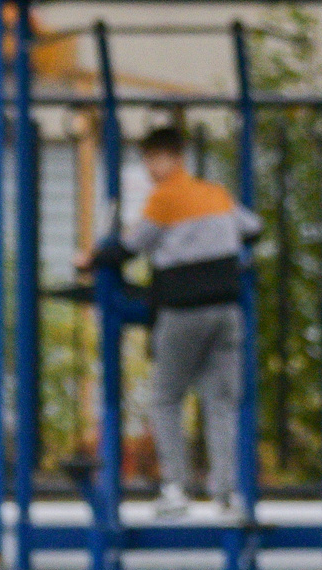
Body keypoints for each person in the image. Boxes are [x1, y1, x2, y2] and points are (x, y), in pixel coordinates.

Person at [77, 124, 260, 519]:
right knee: (221, 402)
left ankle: (175, 488)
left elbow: (129, 247)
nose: (149, 168)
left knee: (166, 398)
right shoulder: (216, 194)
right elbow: (253, 229)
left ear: (171, 158)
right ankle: (226, 495)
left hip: (182, 310)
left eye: (151, 159)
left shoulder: (164, 200)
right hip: (228, 310)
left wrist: (90, 259)